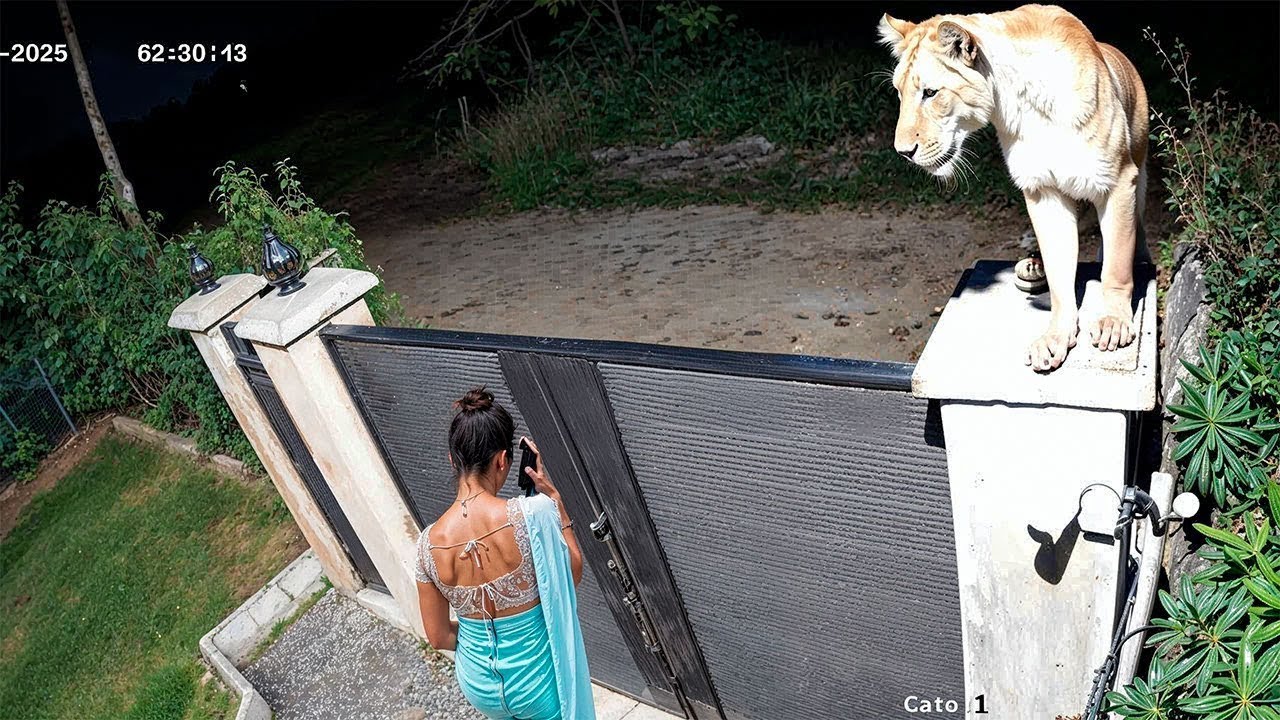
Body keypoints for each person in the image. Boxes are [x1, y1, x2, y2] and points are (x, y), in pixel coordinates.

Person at [415, 387, 594, 720]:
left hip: (478, 685)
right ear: (502, 460)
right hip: (536, 682)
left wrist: (481, 648)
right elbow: (572, 575)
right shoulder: (533, 514)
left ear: (453, 460)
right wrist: (557, 505)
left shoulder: (427, 545)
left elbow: (438, 635)